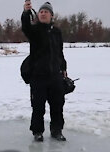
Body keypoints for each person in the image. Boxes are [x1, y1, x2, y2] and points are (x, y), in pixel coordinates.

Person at [22, 1, 68, 142]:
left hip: (55, 76)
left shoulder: (56, 32)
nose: (43, 13)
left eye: (46, 12)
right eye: (41, 11)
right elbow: (26, 27)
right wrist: (26, 12)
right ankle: (37, 132)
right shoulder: (34, 30)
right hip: (38, 76)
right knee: (38, 106)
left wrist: (64, 68)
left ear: (51, 15)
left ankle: (56, 130)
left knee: (57, 105)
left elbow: (60, 52)